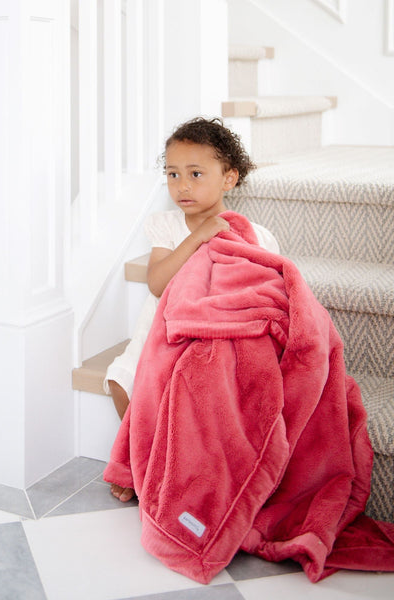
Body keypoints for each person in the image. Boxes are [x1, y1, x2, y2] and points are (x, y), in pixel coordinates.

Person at [104, 116, 280, 502]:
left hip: (211, 331)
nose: (182, 186)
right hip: (160, 325)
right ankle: (143, 462)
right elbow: (157, 283)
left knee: (202, 396)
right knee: (122, 380)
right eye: (172, 174)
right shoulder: (166, 226)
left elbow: (262, 294)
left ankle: (187, 475)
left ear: (229, 178)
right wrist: (198, 236)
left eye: (196, 174)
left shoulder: (253, 234)